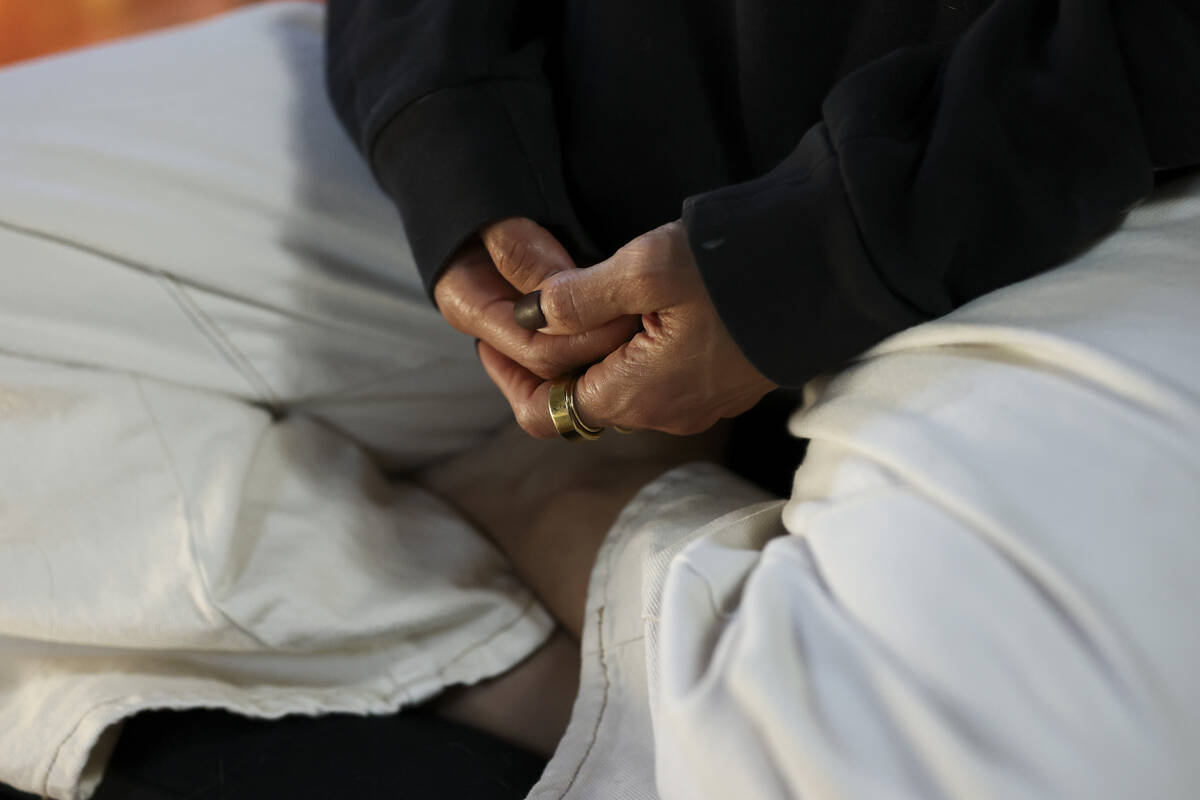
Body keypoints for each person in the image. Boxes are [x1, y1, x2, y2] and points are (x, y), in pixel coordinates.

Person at [1, 4, 1199, 800]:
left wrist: (814, 256)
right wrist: (453, 139)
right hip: (570, 99)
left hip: (1095, 177)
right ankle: (514, 649)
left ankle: (576, 544)